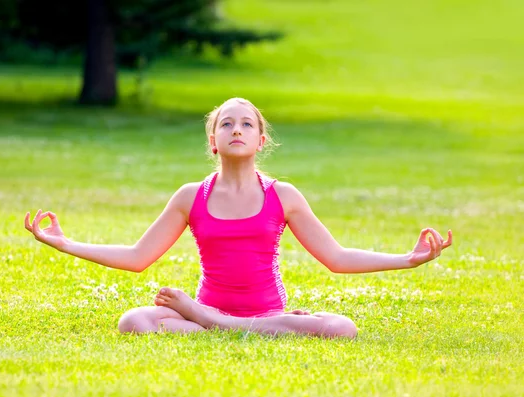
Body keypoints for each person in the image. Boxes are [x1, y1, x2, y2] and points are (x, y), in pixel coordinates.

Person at [24, 97, 452, 339]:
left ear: (261, 139)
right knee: (133, 321)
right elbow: (139, 256)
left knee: (343, 327)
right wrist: (65, 243)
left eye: (247, 123)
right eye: (226, 123)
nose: (236, 129)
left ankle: (218, 326)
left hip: (261, 314)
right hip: (211, 312)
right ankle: (221, 323)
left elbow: (336, 258)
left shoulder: (283, 196)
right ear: (213, 141)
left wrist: (407, 259)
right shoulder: (190, 197)